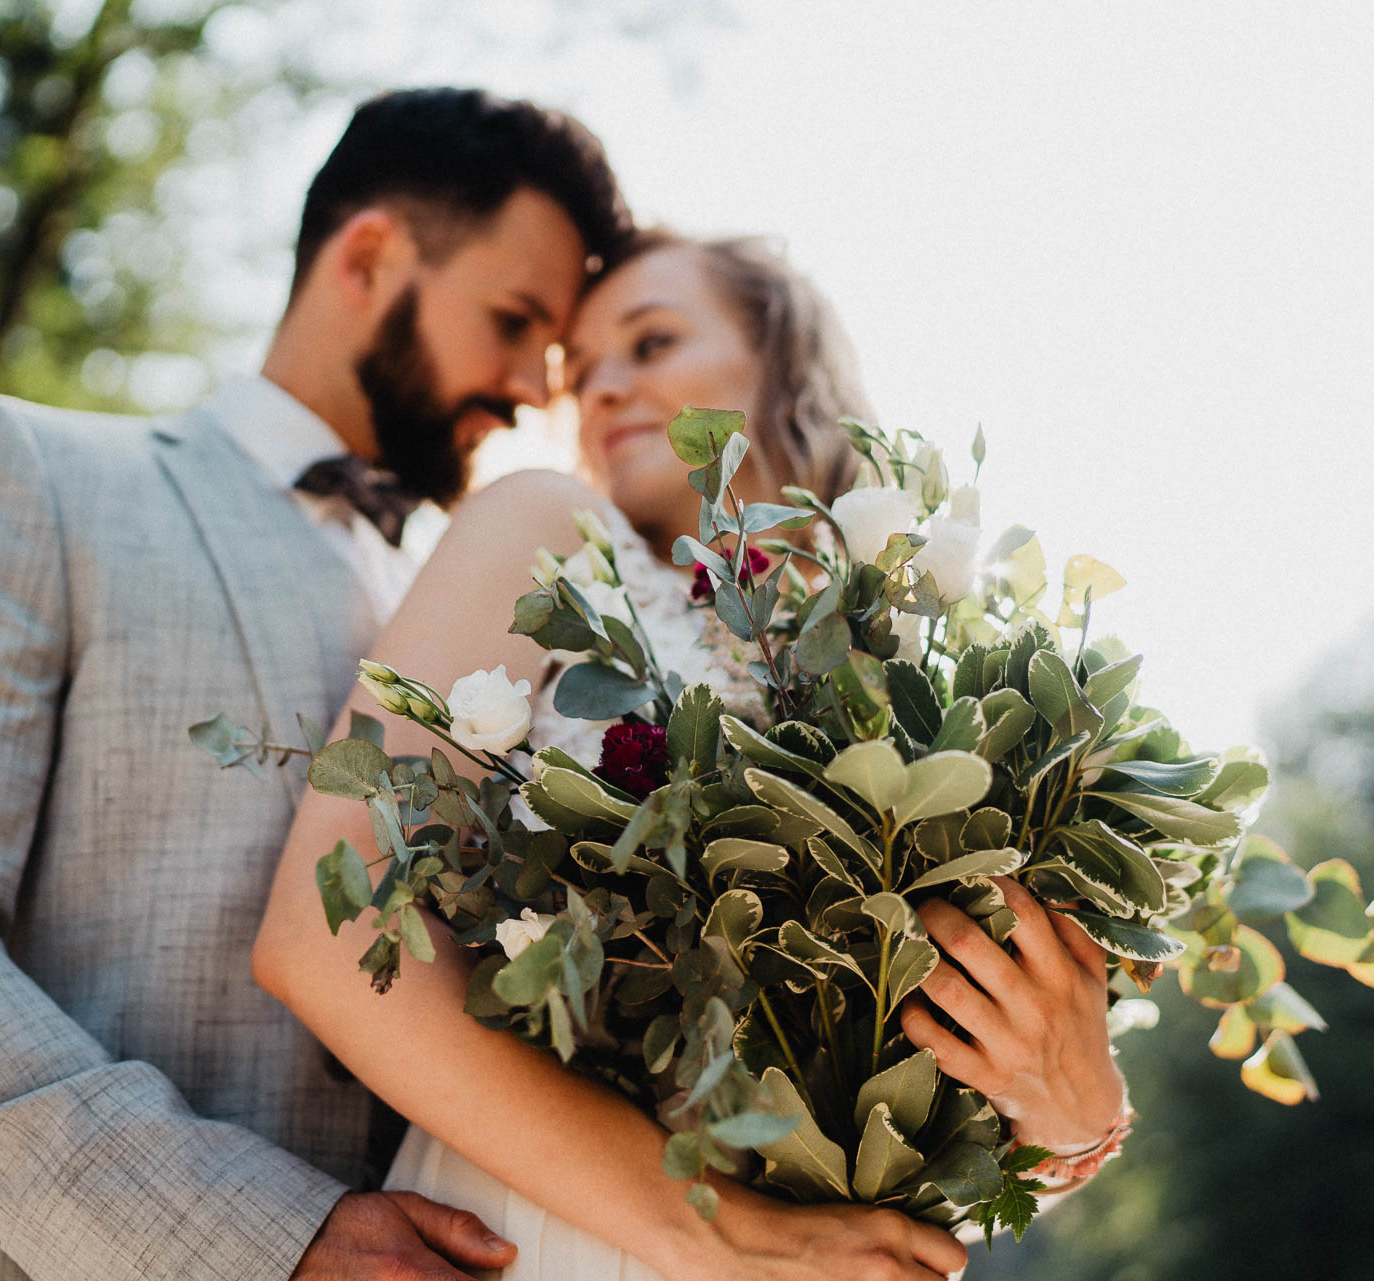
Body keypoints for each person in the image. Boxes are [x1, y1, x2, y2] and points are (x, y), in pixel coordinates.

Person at [0, 87, 632, 1281]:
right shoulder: (39, 472)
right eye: (513, 318)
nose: (536, 386)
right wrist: (263, 1239)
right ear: (369, 258)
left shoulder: (493, 612)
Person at [253, 231, 1129, 1280]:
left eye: (651, 341)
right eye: (581, 372)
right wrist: (722, 1236)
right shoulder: (548, 531)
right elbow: (323, 935)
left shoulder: (926, 675)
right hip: (540, 1236)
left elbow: (941, 1139)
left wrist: (1078, 1123)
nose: (600, 389)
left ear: (780, 360)